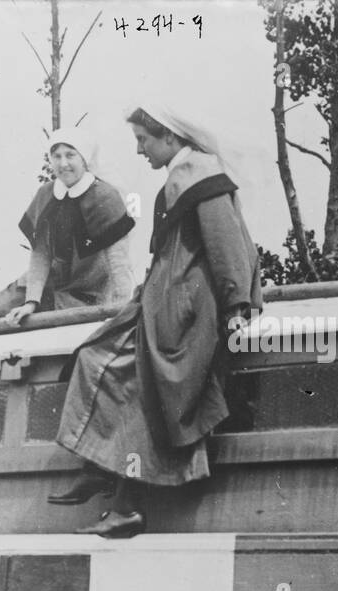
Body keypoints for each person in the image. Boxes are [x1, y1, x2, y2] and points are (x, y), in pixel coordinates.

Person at [47, 105, 261, 538]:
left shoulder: (201, 177)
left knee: (140, 388)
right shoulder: (182, 177)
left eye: (144, 140)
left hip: (186, 310)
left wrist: (237, 307)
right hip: (161, 303)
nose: (140, 150)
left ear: (168, 137)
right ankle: (99, 468)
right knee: (93, 357)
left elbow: (227, 245)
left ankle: (122, 502)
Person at [0, 127, 135, 325]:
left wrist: (122, 311)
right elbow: (41, 253)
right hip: (50, 283)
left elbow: (118, 263)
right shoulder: (46, 194)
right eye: (56, 156)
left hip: (87, 292)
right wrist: (31, 301)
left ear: (84, 158)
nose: (63, 164)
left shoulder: (104, 196)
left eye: (70, 155)